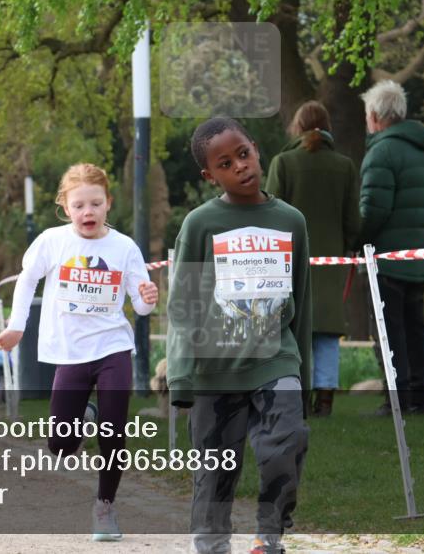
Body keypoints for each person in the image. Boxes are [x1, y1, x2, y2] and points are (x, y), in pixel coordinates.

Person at [167, 117, 311, 554]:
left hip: (276, 359)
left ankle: (269, 538)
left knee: (287, 444)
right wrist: (181, 377)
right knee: (213, 474)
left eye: (243, 154)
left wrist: (303, 375)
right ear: (211, 176)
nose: (241, 167)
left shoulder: (291, 221)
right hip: (215, 370)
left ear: (256, 148)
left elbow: (301, 301)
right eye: (226, 163)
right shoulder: (200, 224)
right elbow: (183, 305)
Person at [0, 163, 158, 542]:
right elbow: (27, 281)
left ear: (108, 204)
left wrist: (148, 298)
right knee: (61, 445)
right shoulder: (52, 241)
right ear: (65, 207)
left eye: (95, 204)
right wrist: (18, 326)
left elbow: (142, 304)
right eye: (79, 205)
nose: (88, 212)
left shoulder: (124, 247)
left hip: (113, 347)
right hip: (69, 353)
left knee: (114, 432)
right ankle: (84, 417)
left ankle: (105, 507)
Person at [266, 101, 359, 417]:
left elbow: (270, 215)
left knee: (292, 331)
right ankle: (325, 401)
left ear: (297, 127)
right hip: (331, 263)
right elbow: (352, 222)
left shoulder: (283, 163)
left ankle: (296, 399)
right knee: (327, 333)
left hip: (289, 263)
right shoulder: (344, 166)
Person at [359, 80, 424, 416]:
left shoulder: (381, 151)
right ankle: (422, 398)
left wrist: (357, 240)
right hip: (418, 254)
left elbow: (373, 210)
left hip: (386, 258)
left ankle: (397, 399)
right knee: (415, 328)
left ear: (377, 116)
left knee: (388, 330)